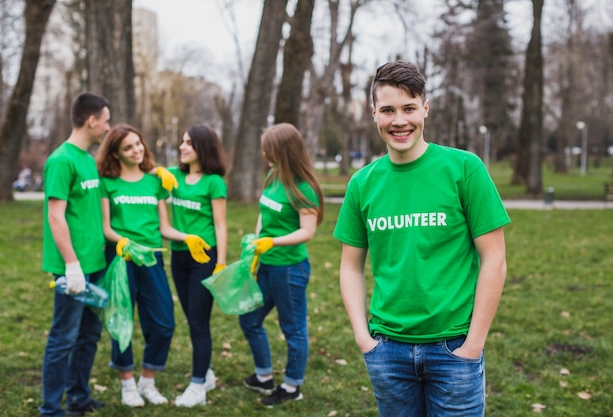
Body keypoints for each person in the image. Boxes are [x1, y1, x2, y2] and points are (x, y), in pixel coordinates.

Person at [333, 60, 511, 417]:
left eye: (409, 108)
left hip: (454, 349)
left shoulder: (464, 169)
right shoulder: (362, 184)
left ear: (425, 109)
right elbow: (350, 267)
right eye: (388, 110)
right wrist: (364, 340)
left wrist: (473, 344)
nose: (399, 121)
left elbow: (495, 259)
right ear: (374, 114)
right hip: (387, 350)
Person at [95, 123, 212, 408]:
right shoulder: (107, 182)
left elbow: (164, 227)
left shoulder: (155, 181)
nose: (136, 150)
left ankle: (147, 381)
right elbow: (106, 227)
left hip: (151, 258)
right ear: (115, 153)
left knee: (163, 323)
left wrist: (188, 237)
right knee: (121, 322)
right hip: (121, 259)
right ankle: (127, 386)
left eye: (138, 144)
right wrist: (122, 242)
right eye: (127, 147)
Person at [239, 122, 324, 407]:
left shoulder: (304, 188)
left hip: (289, 270)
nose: (264, 154)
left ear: (284, 151)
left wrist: (273, 243)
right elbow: (265, 211)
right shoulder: (274, 175)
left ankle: (291, 386)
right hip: (266, 264)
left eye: (269, 149)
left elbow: (307, 232)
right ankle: (264, 377)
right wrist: (256, 241)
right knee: (249, 319)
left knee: (293, 329)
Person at [39, 92, 111, 417]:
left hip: (95, 265)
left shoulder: (87, 160)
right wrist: (71, 265)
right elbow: (56, 216)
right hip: (73, 269)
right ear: (91, 120)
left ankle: (79, 398)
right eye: (106, 121)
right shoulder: (61, 160)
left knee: (88, 337)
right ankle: (51, 409)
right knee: (63, 339)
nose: (107, 129)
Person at [166, 124, 227, 407]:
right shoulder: (174, 177)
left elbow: (221, 224)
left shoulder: (214, 182)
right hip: (178, 255)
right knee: (191, 318)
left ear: (202, 147)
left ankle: (197, 386)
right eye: (182, 142)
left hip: (205, 258)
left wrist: (221, 263)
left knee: (199, 322)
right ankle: (207, 373)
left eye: (188, 142)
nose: (182, 147)